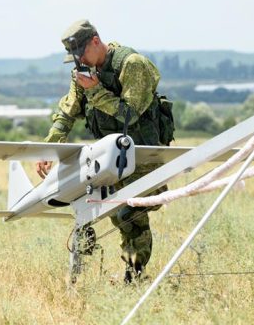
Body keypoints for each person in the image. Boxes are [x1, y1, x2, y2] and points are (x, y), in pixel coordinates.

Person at [36, 19, 174, 283]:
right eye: (74, 57)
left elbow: (129, 115)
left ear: (96, 41)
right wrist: (50, 146)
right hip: (110, 160)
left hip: (143, 158)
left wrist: (96, 90)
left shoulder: (132, 64)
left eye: (82, 53)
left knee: (129, 213)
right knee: (96, 208)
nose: (79, 61)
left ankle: (134, 276)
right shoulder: (83, 71)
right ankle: (121, 273)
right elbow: (68, 110)